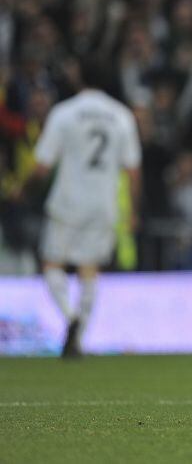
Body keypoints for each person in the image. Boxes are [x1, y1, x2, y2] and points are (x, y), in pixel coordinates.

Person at [19, 59, 142, 358]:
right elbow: (133, 170)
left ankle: (70, 317)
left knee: (52, 263)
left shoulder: (64, 113)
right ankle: (80, 334)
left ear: (80, 78)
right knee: (89, 269)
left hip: (68, 201)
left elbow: (42, 165)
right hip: (103, 204)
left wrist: (22, 190)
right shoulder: (121, 116)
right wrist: (133, 210)